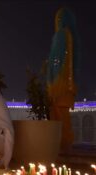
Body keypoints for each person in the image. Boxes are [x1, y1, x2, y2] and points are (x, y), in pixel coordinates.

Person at [47, 8, 79, 150]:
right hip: (67, 86)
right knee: (63, 118)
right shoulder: (71, 36)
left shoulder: (60, 35)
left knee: (58, 117)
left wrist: (52, 82)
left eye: (60, 18)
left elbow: (56, 62)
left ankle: (61, 148)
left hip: (58, 86)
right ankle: (65, 146)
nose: (58, 21)